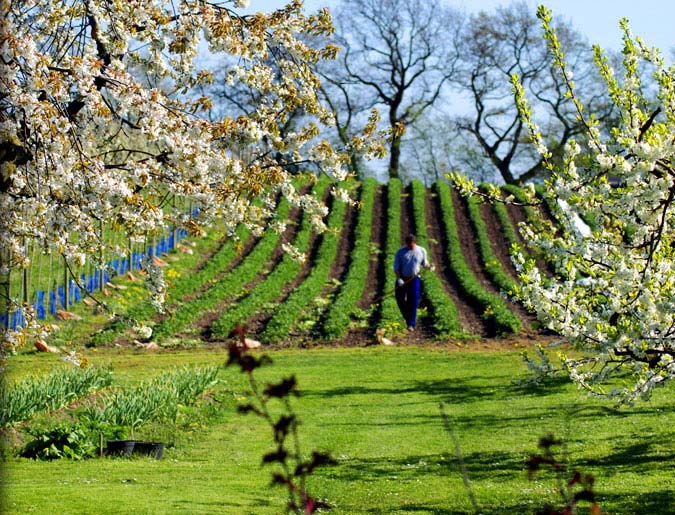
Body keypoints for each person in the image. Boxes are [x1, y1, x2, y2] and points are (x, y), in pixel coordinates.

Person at [393, 234, 432, 331]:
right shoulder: (400, 252)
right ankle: (407, 317)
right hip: (402, 279)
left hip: (414, 279)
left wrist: (429, 266)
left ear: (415, 242)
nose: (410, 246)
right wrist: (399, 278)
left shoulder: (421, 250)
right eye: (408, 245)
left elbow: (425, 263)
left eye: (412, 245)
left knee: (414, 301)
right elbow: (396, 267)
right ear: (406, 243)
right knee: (400, 300)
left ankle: (411, 323)